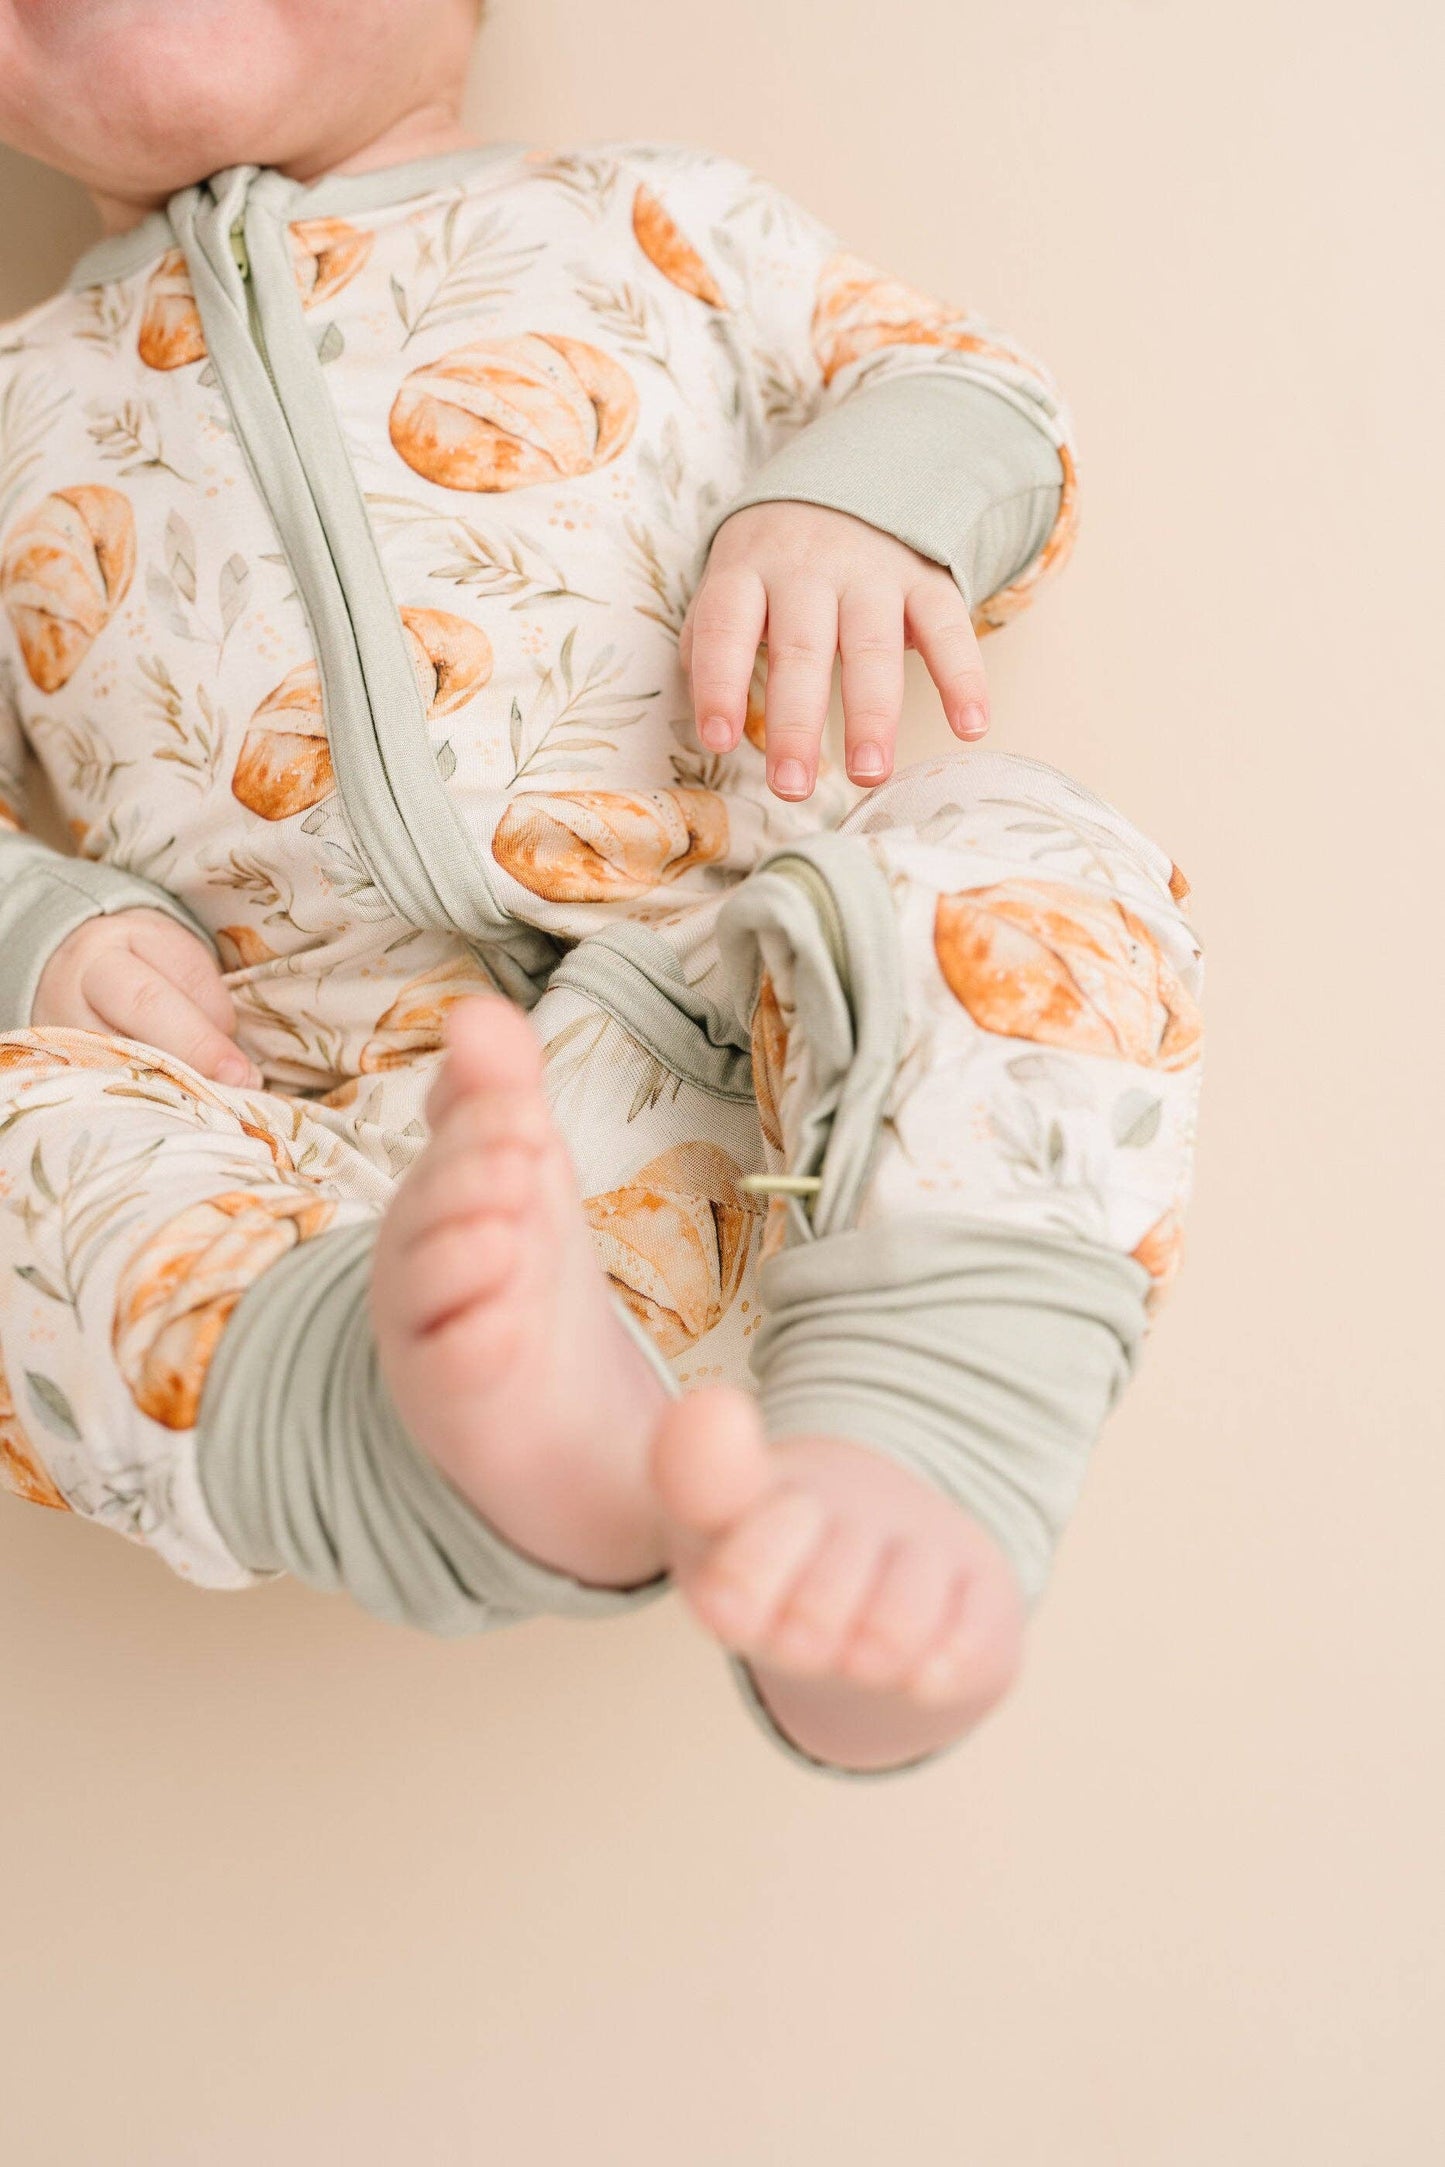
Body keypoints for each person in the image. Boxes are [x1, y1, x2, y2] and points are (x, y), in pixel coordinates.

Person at [0, 0, 1203, 1775]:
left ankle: (916, 1462)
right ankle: (444, 1437)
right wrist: (45, 925)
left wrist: (854, 508)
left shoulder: (653, 220)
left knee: (1026, 850)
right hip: (319, 1182)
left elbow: (972, 392)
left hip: (775, 1025)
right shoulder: (22, 399)